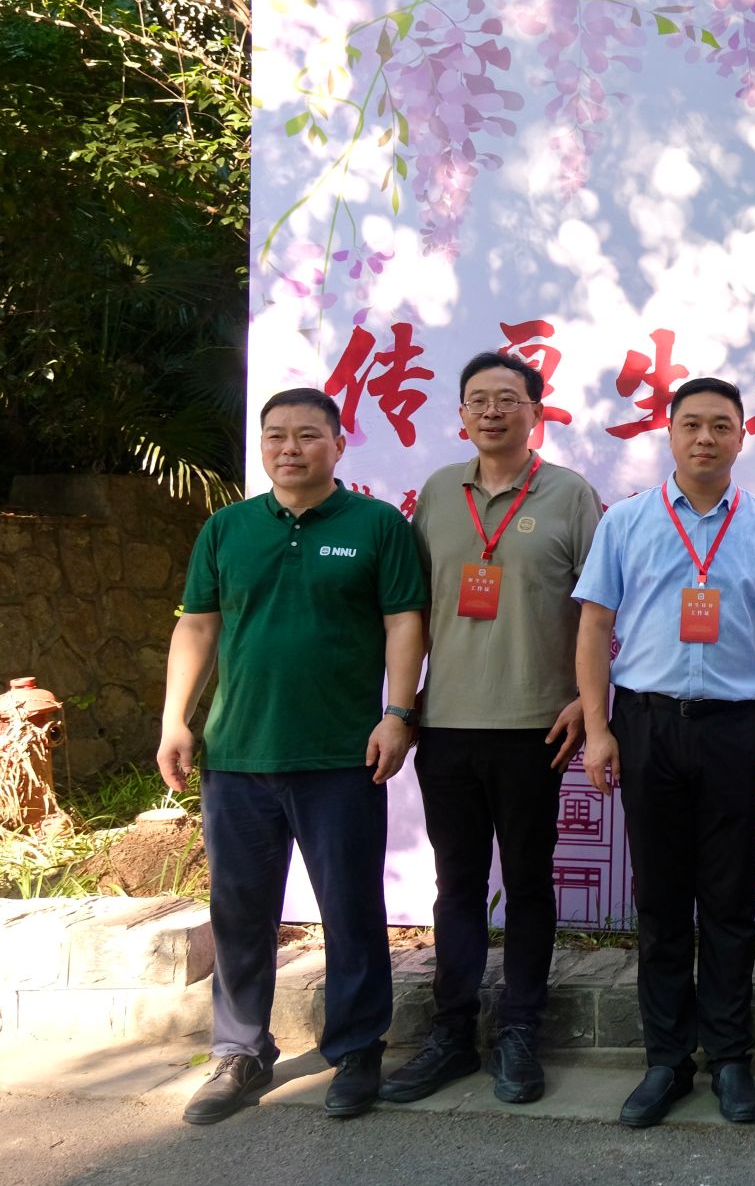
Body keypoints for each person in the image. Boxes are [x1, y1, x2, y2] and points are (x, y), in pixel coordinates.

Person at [157, 387, 427, 1125]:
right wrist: (176, 720)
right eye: (275, 435)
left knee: (351, 909)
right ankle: (240, 1051)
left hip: (341, 753)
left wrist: (397, 713)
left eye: (307, 435)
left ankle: (358, 1048)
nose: (289, 448)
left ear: (338, 444)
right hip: (238, 754)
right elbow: (198, 626)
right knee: (239, 911)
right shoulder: (228, 527)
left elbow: (405, 622)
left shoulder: (376, 524)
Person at [571, 376, 755, 1129]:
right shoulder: (627, 521)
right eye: (692, 424)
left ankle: (731, 1057)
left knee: (729, 897)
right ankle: (666, 1060)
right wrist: (599, 729)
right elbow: (594, 626)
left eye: (721, 425)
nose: (705, 438)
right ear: (670, 433)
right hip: (645, 723)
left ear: (742, 436)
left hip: (732, 727)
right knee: (661, 898)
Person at [378, 352, 602, 1107]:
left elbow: (604, 609)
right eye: (478, 399)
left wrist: (587, 700)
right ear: (462, 414)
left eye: (508, 398)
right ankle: (452, 1033)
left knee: (530, 883)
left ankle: (520, 1031)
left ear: (536, 410)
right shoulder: (440, 493)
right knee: (458, 886)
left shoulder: (570, 495)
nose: (493, 411)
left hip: (537, 725)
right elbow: (410, 611)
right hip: (445, 725)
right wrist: (402, 707)